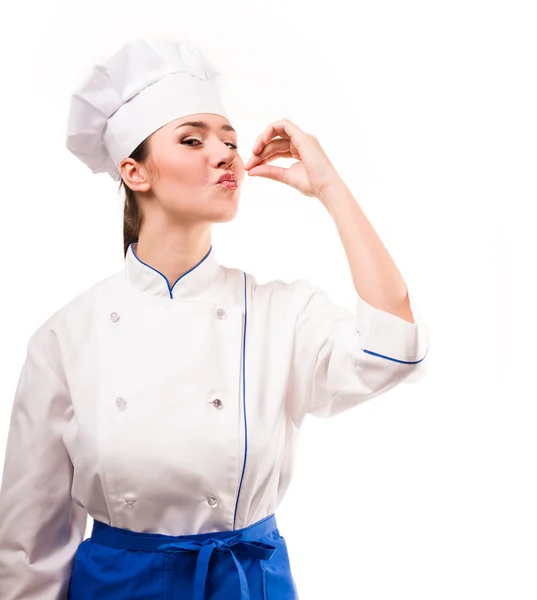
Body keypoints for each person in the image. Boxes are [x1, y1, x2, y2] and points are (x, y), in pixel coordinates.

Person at [0, 37, 429, 600]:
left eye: (229, 140)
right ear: (136, 172)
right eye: (193, 140)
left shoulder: (282, 313)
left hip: (247, 583)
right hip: (118, 588)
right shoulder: (66, 337)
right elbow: (29, 545)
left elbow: (392, 350)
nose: (225, 153)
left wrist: (330, 187)